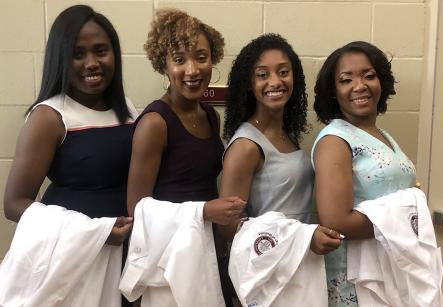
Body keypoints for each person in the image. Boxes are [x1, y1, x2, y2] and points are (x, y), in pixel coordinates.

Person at [3, 5, 137, 306]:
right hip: (74, 258)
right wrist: (95, 232)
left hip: (125, 251)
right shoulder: (50, 116)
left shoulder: (127, 109)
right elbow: (14, 204)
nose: (92, 63)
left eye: (101, 51)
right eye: (78, 54)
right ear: (60, 58)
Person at [127, 8, 245, 306]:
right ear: (163, 65)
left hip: (206, 249)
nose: (192, 70)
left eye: (201, 57)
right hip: (170, 260)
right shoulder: (155, 123)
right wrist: (204, 212)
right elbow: (137, 210)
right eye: (179, 60)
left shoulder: (208, 114)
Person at [311, 41, 416, 306]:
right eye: (346, 80)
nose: (359, 86)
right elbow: (336, 220)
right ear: (333, 91)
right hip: (357, 281)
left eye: (369, 76)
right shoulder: (335, 140)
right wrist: (409, 220)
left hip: (391, 268)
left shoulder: (383, 135)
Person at [220, 33, 342, 253]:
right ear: (249, 82)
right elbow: (228, 227)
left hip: (296, 261)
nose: (275, 81)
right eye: (262, 74)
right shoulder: (246, 146)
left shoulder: (285, 134)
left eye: (283, 72)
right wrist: (300, 238)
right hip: (267, 270)